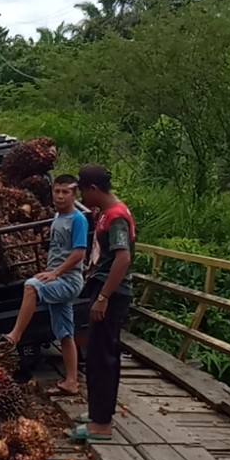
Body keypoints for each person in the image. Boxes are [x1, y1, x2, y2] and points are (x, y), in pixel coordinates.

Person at [67, 165, 134, 443]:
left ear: (93, 189)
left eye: (82, 190)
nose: (81, 195)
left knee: (103, 357)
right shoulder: (106, 214)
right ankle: (98, 413)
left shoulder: (117, 217)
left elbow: (123, 258)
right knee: (95, 355)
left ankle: (101, 426)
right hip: (103, 289)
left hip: (112, 294)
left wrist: (104, 297)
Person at [3, 175, 88, 395]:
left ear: (74, 194)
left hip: (69, 280)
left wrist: (55, 273)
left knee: (31, 286)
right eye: (57, 191)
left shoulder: (78, 220)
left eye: (65, 192)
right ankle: (71, 382)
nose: (60, 196)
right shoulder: (58, 217)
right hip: (58, 278)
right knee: (65, 334)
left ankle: (15, 335)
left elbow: (79, 253)